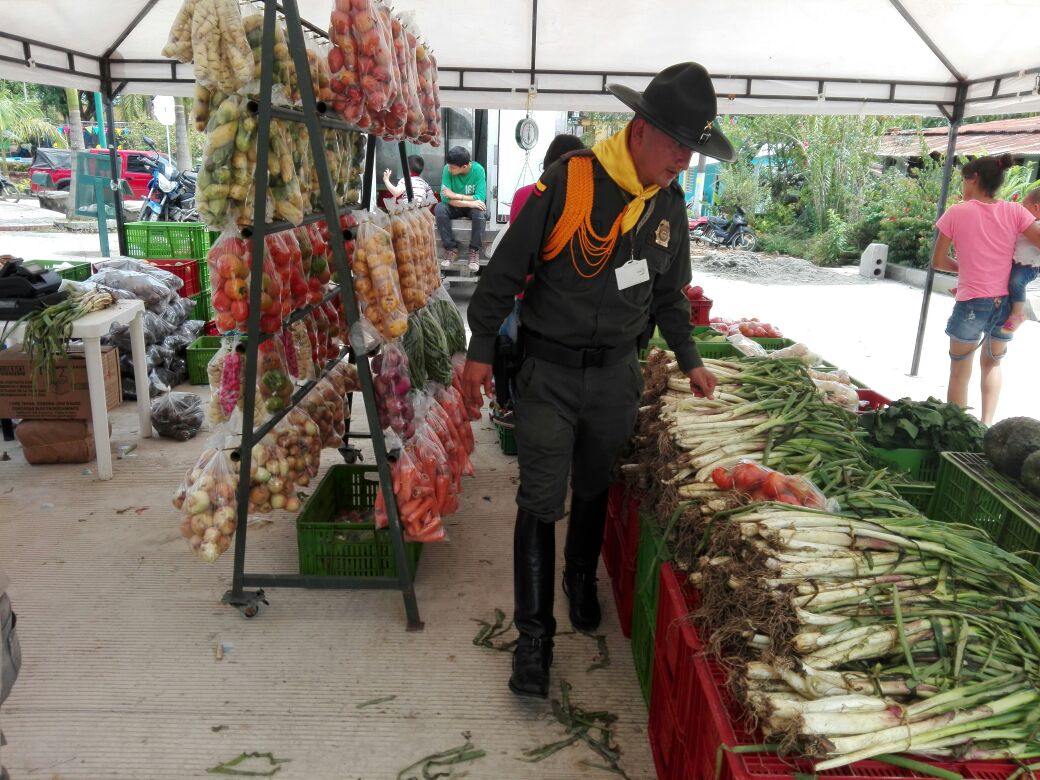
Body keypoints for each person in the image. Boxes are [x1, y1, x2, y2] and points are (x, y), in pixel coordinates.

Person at [462, 62, 731, 699]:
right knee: (539, 499)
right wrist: (478, 346)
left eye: (692, 151)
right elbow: (504, 272)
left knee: (595, 485)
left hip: (616, 376)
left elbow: (669, 293)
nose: (683, 164)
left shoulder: (667, 207)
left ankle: (579, 578)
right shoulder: (571, 183)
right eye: (676, 146)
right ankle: (534, 641)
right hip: (549, 374)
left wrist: (690, 359)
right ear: (641, 129)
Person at [932, 154, 1040, 424]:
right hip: (1006, 303)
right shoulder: (1015, 211)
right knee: (992, 364)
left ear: (974, 179)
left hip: (972, 303)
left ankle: (959, 431)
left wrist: (965, 268)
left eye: (963, 181)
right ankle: (986, 425)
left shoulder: (956, 212)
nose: (962, 187)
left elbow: (938, 261)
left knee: (959, 371)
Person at [491, 134, 587, 426]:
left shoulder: (525, 194)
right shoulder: (582, 202)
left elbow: (517, 247)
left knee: (513, 353)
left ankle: (509, 405)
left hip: (522, 292)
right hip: (559, 301)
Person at [435, 146, 487, 273]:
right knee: (440, 208)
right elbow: (445, 198)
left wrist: (456, 195)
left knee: (480, 212)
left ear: (464, 166)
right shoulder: (447, 169)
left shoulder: (478, 170)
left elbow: (480, 197)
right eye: (449, 166)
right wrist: (469, 203)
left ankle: (474, 251)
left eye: (453, 167)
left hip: (467, 206)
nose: (449, 169)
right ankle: (451, 249)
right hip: (458, 206)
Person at [1001, 187, 1040, 333]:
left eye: (1025, 207)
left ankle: (1017, 313)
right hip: (1015, 261)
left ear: (1036, 207)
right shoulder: (1026, 223)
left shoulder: (1035, 225)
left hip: (1029, 266)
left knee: (1016, 281)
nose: (1022, 210)